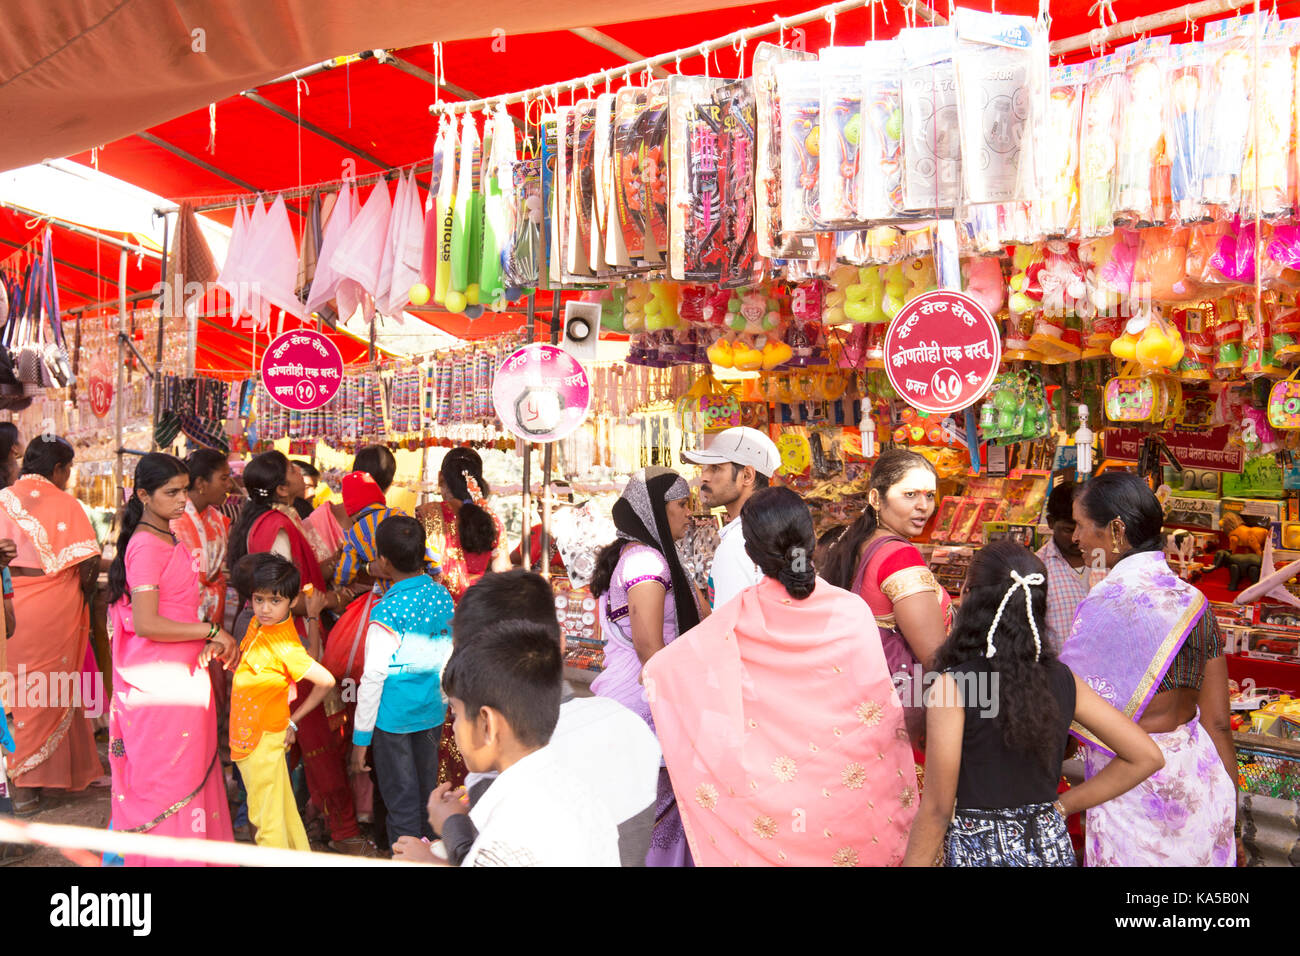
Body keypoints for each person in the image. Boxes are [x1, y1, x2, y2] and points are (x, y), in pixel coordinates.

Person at [644, 487, 919, 866]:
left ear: (751, 551)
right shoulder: (851, 611)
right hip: (846, 800)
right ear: (810, 540)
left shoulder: (735, 619)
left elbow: (662, 670)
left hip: (772, 800)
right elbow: (876, 713)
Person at [902, 541, 1165, 867]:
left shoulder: (954, 686)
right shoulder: (1063, 680)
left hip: (981, 851)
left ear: (969, 596)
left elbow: (938, 810)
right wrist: (1063, 806)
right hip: (1048, 845)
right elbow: (1147, 755)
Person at [397, 569, 660, 867]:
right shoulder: (630, 725)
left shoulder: (505, 765)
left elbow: (488, 855)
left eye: (456, 712)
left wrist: (450, 829)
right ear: (561, 642)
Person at [1062, 471, 1239, 867]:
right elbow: (1219, 722)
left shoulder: (1105, 602)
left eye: (1080, 524)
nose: (1075, 538)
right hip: (1201, 784)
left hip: (1131, 790)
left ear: (1116, 530)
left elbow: (1067, 703)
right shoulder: (1196, 603)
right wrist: (1233, 820)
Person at [228, 450, 371, 855]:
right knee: (316, 736)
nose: (299, 474)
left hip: (280, 633)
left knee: (291, 746)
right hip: (289, 634)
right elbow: (283, 595)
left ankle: (290, 828)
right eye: (292, 470)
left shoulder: (271, 520)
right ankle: (341, 828)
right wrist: (316, 616)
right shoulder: (276, 525)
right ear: (280, 487)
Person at [105, 453, 238, 864]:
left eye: (184, 490)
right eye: (171, 492)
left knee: (191, 774)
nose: (182, 499)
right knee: (169, 784)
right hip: (160, 684)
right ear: (143, 495)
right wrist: (212, 631)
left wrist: (204, 638)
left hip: (181, 673)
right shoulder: (146, 545)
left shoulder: (165, 535)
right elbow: (146, 623)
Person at [589, 466, 703, 866]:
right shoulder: (644, 562)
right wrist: (680, 710)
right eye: (681, 506)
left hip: (644, 701)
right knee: (648, 822)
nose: (689, 514)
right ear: (656, 509)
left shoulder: (643, 557)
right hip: (643, 705)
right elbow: (649, 646)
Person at [439, 619, 619, 866]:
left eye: (456, 713)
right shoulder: (578, 790)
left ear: (487, 723)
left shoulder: (510, 830)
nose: (455, 726)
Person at [0, 436, 105, 811]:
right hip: (50, 605)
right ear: (59, 469)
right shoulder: (65, 503)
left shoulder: (2, 496)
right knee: (46, 692)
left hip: (9, 602)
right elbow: (88, 562)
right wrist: (85, 590)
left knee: (17, 691)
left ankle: (28, 782)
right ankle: (25, 786)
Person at [822, 448, 950, 746]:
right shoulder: (899, 556)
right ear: (876, 499)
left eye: (929, 495)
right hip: (902, 722)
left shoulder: (855, 544)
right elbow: (937, 660)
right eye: (910, 495)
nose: (923, 506)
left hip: (863, 711)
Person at [350, 516, 455, 850]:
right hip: (432, 715)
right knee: (427, 797)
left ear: (383, 562)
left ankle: (406, 855)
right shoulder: (442, 596)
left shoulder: (387, 611)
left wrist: (360, 740)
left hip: (393, 723)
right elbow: (449, 655)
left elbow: (373, 679)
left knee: (402, 804)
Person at [230, 554, 336, 850]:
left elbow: (326, 681)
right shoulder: (257, 625)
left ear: (291, 602)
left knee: (268, 822)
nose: (265, 608)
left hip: (263, 740)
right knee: (281, 815)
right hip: (252, 739)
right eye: (259, 599)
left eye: (274, 601)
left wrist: (293, 720)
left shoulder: (285, 644)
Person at [682, 425, 781, 609]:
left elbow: (729, 629)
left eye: (716, 468)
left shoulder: (739, 543)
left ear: (747, 476)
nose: (704, 477)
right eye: (706, 468)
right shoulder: (773, 530)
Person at [417, 447, 506, 602]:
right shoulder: (492, 520)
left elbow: (413, 568)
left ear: (440, 478)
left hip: (436, 611)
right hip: (478, 611)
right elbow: (502, 571)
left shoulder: (428, 513)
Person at [172, 449, 234, 629]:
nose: (229, 485)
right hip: (179, 614)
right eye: (223, 478)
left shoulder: (217, 519)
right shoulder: (174, 519)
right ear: (201, 483)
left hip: (212, 613)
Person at [1036, 481, 1094, 653]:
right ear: (1051, 523)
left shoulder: (1108, 561)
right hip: (1058, 674)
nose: (1077, 537)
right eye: (1069, 530)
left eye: (1083, 527)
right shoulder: (1037, 569)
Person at [508, 481, 571, 573]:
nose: (540, 509)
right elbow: (509, 562)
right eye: (539, 503)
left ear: (566, 505)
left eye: (550, 504)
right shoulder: (534, 531)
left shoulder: (579, 534)